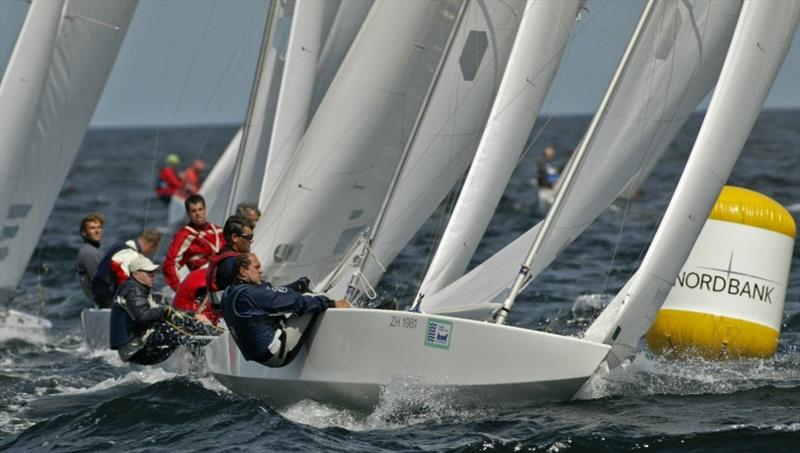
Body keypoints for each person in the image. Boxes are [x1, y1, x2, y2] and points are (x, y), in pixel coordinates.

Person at [221, 253, 350, 365]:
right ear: (243, 271)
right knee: (310, 299)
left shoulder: (230, 292)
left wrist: (296, 287)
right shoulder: (250, 295)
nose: (261, 271)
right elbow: (295, 302)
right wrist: (332, 303)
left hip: (260, 355)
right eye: (256, 267)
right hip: (276, 355)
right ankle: (336, 349)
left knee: (301, 300)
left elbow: (271, 295)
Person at [109, 256, 215, 365]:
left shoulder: (136, 288)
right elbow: (143, 316)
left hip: (135, 349)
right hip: (136, 350)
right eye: (148, 272)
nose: (153, 275)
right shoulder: (133, 289)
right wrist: (166, 311)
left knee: (178, 322)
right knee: (176, 329)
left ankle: (205, 346)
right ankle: (209, 349)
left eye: (153, 272)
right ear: (135, 274)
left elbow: (164, 312)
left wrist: (191, 316)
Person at [174, 215, 256, 324]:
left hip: (195, 309)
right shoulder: (231, 263)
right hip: (200, 316)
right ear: (235, 238)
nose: (252, 240)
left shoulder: (223, 255)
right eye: (249, 237)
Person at [163, 194, 224, 291]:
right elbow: (170, 264)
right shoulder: (183, 235)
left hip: (224, 281)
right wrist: (179, 290)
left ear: (205, 209)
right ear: (188, 213)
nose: (198, 214)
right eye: (193, 211)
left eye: (200, 209)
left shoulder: (219, 231)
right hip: (203, 286)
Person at [91, 229, 162, 308]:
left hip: (98, 291)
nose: (152, 254)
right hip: (108, 299)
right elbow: (128, 284)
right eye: (154, 251)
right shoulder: (131, 256)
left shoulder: (120, 245)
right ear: (151, 246)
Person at [76, 213, 104, 300]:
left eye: (99, 227)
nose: (97, 231)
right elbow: (100, 283)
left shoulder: (88, 250)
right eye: (92, 228)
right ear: (84, 233)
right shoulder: (90, 253)